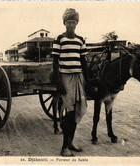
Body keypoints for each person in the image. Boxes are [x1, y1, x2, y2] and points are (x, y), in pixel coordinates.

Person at [52, 8, 88, 156]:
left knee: (77, 111)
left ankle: (71, 143)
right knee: (70, 113)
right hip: (65, 78)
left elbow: (83, 61)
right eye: (68, 22)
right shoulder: (59, 39)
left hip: (78, 78)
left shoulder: (81, 40)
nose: (71, 25)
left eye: (73, 22)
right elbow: (55, 62)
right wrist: (58, 82)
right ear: (64, 23)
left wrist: (88, 80)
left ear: (77, 23)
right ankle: (64, 148)